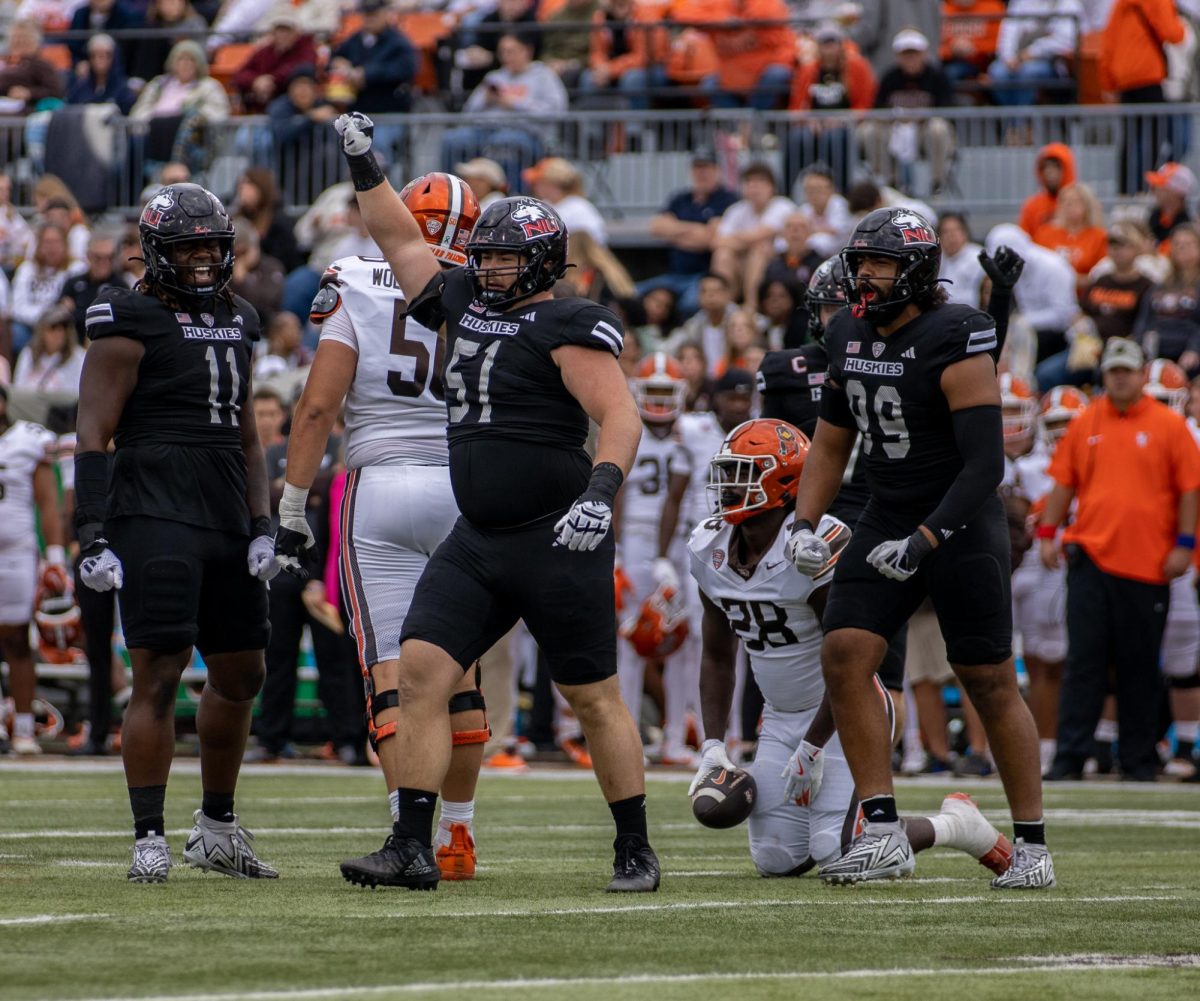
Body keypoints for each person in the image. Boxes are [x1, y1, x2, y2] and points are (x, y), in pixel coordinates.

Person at [327, 112, 657, 892]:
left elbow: (620, 416)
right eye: (487, 256)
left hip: (555, 534)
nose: (491, 268)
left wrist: (601, 494)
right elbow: (403, 242)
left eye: (507, 257)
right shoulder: (468, 300)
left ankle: (634, 846)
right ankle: (411, 843)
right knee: (418, 674)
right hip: (477, 535)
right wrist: (364, 161)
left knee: (592, 696)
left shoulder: (568, 322)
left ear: (543, 262)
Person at [786, 207, 1053, 888]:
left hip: (959, 520)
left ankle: (1032, 845)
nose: (866, 275)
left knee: (987, 677)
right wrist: (801, 522)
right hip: (887, 508)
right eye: (861, 261)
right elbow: (831, 441)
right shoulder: (845, 331)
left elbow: (983, 465)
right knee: (845, 651)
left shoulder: (956, 334)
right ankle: (882, 832)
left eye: (880, 263)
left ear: (917, 271)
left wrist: (926, 538)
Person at [274, 171, 499, 880]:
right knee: (457, 677)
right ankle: (455, 836)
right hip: (467, 488)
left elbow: (316, 407)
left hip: (379, 486)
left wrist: (290, 504)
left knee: (397, 683)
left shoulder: (355, 277)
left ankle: (408, 834)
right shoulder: (492, 284)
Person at [689, 417, 1013, 877]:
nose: (726, 485)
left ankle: (957, 825)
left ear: (784, 481)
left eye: (743, 472)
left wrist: (814, 745)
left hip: (846, 712)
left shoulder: (815, 546)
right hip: (781, 717)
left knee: (837, 851)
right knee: (776, 860)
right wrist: (714, 746)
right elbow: (718, 655)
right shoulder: (710, 548)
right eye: (726, 472)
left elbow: (848, 665)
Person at [73, 182, 278, 883]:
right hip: (153, 507)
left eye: (211, 246)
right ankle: (148, 834)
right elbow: (93, 432)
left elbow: (249, 437)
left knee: (243, 670)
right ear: (157, 251)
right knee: (157, 673)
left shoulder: (240, 315)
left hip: (224, 507)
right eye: (187, 246)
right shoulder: (126, 318)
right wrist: (92, 530)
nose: (201, 259)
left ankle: (216, 826)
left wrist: (261, 522)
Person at [1039, 337, 1200, 781]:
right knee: (1083, 663)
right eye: (1114, 371)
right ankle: (1070, 757)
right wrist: (1049, 533)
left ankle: (1139, 759)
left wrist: (1185, 543)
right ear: (1105, 375)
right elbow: (1063, 483)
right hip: (1090, 555)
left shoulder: (1169, 425)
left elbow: (1190, 488)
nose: (1121, 378)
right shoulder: (1086, 421)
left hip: (1148, 563)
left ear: (1140, 374)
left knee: (1140, 666)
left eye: (1128, 371)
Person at [613, 352, 700, 765]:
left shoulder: (694, 432)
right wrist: (613, 551)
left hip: (684, 539)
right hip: (635, 538)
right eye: (655, 392)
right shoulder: (629, 430)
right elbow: (618, 492)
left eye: (668, 392)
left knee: (684, 639)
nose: (661, 402)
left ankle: (675, 738)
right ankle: (628, 734)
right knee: (633, 636)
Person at [1003, 378, 1086, 777]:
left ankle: (1052, 744)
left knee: (1050, 660)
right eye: (1054, 425)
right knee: (1016, 661)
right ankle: (1025, 746)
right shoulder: (1026, 464)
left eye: (1068, 424)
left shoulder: (1078, 465)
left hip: (1053, 565)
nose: (1061, 434)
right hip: (1013, 565)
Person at [0, 384, 67, 756]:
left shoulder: (28, 439)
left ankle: (24, 729)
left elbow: (48, 505)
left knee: (15, 640)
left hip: (16, 553)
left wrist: (54, 558)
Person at [439, 31, 568, 192]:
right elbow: (468, 113)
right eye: (503, 52)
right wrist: (485, 100)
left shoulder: (543, 76)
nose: (506, 57)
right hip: (485, 131)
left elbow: (556, 111)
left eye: (511, 51)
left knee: (506, 142)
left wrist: (515, 103)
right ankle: (454, 195)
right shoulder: (495, 77)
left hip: (526, 134)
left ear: (527, 51)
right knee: (452, 140)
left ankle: (511, 197)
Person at [1100, 1, 1186, 194]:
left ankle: (1124, 193)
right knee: (1157, 136)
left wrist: (1108, 82)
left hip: (1124, 79)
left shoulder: (1120, 4)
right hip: (1148, 75)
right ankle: (1147, 188)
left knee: (1130, 138)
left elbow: (1107, 43)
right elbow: (1173, 34)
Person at [856, 29, 955, 194]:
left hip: (924, 128)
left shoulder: (936, 76)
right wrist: (897, 117)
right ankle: (886, 183)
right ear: (898, 56)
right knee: (870, 130)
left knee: (938, 129)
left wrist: (919, 116)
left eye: (914, 53)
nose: (910, 59)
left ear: (923, 54)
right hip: (894, 127)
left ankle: (937, 182)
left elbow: (948, 107)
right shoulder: (890, 77)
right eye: (905, 54)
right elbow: (878, 107)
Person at [644, 149, 739, 316]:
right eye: (697, 168)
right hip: (674, 275)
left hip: (702, 276)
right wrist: (695, 229)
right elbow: (656, 226)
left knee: (689, 305)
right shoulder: (681, 198)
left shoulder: (727, 199)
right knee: (633, 293)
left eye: (706, 168)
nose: (701, 173)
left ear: (717, 170)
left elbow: (710, 238)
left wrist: (674, 232)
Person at [711, 163, 796, 309]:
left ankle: (752, 307)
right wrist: (748, 242)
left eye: (760, 182)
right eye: (749, 182)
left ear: (772, 187)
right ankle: (725, 307)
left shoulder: (783, 206)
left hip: (779, 265)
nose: (754, 187)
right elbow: (717, 242)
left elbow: (761, 234)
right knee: (722, 254)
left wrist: (737, 240)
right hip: (741, 264)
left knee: (759, 250)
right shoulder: (736, 210)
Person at [988, 0, 1081, 107]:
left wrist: (1033, 52)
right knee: (997, 72)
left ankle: (1021, 120)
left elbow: (1066, 41)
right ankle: (1012, 119)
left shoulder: (1067, 3)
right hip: (1016, 58)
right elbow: (1008, 34)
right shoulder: (1020, 3)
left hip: (1050, 62)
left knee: (1028, 72)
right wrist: (1008, 57)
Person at [1134, 223, 1200, 374]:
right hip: (1156, 348)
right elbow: (1143, 320)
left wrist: (1195, 349)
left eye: (1188, 244)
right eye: (1177, 244)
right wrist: (1139, 346)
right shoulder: (1160, 285)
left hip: (1187, 350)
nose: (1182, 248)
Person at [231, 8, 319, 114]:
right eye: (280, 30)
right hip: (260, 104)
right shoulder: (264, 51)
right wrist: (255, 81)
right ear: (273, 32)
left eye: (287, 30)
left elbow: (304, 68)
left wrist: (272, 79)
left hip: (290, 103)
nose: (283, 35)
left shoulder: (305, 47)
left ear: (296, 32)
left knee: (278, 108)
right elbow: (238, 75)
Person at [13, 305, 86, 393]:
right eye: (53, 328)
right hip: (32, 405)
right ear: (42, 331)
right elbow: (19, 389)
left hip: (66, 405)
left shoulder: (79, 357)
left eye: (63, 329)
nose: (58, 334)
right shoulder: (28, 354)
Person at [0, 18, 64, 113]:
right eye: (15, 37)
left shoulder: (42, 65)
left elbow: (55, 92)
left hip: (27, 113)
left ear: (36, 41)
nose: (19, 41)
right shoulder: (5, 62)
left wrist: (29, 93)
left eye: (24, 37)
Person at [63, 233, 119, 339]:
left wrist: (75, 312)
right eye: (98, 258)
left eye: (109, 257)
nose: (104, 262)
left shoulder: (120, 287)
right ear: (88, 256)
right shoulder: (73, 283)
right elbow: (60, 313)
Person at [66, 34, 136, 115]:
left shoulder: (123, 89)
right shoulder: (80, 87)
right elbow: (70, 109)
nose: (98, 60)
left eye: (103, 55)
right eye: (93, 56)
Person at [1018, 143, 1076, 238]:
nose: (1049, 172)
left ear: (1067, 169)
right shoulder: (1032, 206)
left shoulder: (1080, 202)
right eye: (1045, 167)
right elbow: (1023, 241)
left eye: (1055, 167)